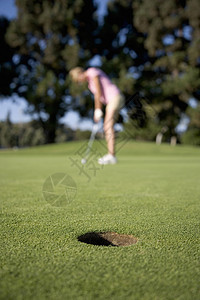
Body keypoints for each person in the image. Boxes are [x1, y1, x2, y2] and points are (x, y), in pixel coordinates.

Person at [70, 67, 124, 165]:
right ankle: (111, 155)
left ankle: (111, 156)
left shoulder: (92, 72)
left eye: (78, 80)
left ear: (80, 74)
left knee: (107, 126)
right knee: (107, 126)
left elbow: (98, 92)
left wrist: (98, 109)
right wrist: (97, 111)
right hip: (112, 100)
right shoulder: (90, 84)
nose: (80, 82)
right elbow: (98, 96)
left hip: (115, 97)